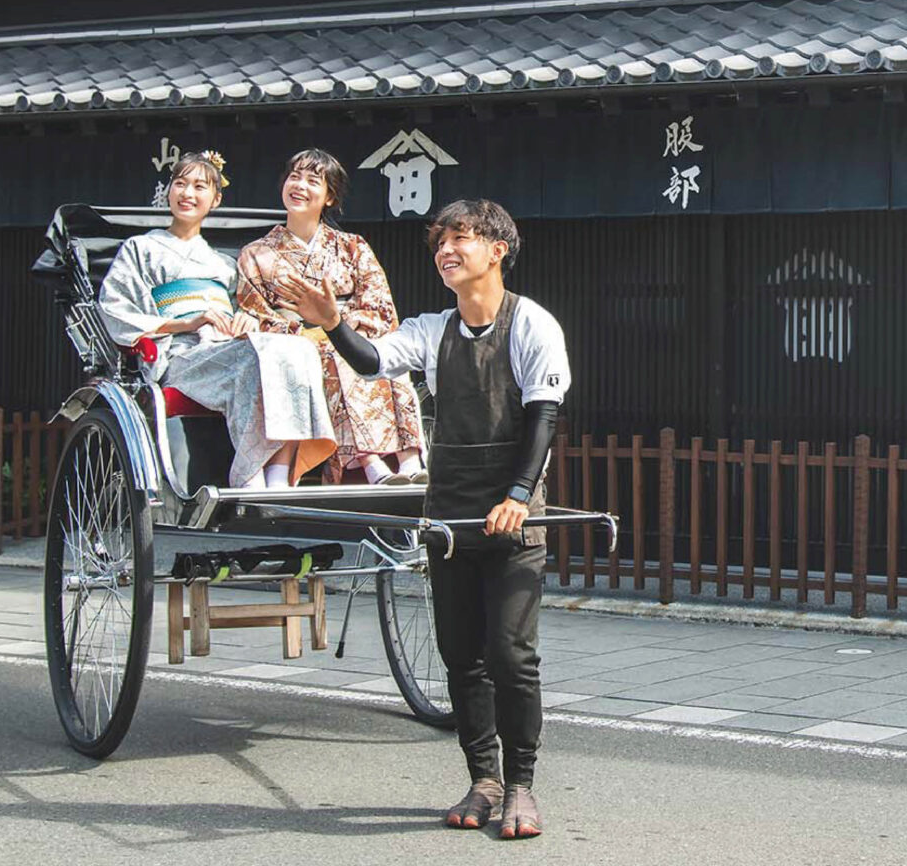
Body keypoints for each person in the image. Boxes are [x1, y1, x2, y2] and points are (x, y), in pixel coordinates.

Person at [288, 198, 566, 840]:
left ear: (497, 249)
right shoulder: (432, 328)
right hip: (450, 515)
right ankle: (483, 779)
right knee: (460, 654)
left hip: (513, 516)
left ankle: (521, 784)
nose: (446, 250)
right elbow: (371, 361)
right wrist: (332, 323)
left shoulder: (533, 325)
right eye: (440, 241)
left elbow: (544, 417)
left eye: (460, 238)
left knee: (511, 654)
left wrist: (520, 495)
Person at [96, 151, 338, 489]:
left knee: (296, 349)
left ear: (216, 199)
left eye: (199, 186)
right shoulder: (141, 248)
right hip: (181, 355)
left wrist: (247, 322)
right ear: (168, 192)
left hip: (225, 347)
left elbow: (247, 310)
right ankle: (250, 473)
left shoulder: (224, 264)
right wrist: (187, 323)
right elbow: (116, 309)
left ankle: (280, 474)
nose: (188, 194)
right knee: (253, 359)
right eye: (180, 184)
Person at [233, 149, 427, 485]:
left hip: (349, 330)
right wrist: (308, 328)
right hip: (298, 345)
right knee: (337, 357)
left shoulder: (352, 246)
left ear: (329, 196)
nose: (300, 186)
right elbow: (256, 314)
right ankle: (373, 466)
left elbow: (378, 304)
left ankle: (410, 462)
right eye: (294, 177)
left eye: (312, 180)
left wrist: (341, 324)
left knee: (384, 357)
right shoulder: (256, 253)